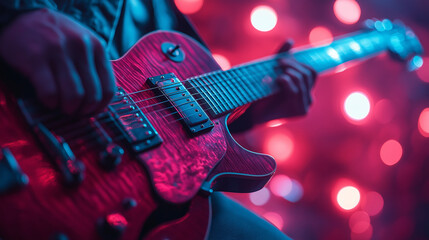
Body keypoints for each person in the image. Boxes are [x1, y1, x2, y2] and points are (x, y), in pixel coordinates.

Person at [0, 1, 316, 239]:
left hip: (128, 190)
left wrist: (249, 114)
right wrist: (17, 14)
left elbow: (172, 111)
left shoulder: (165, 12)